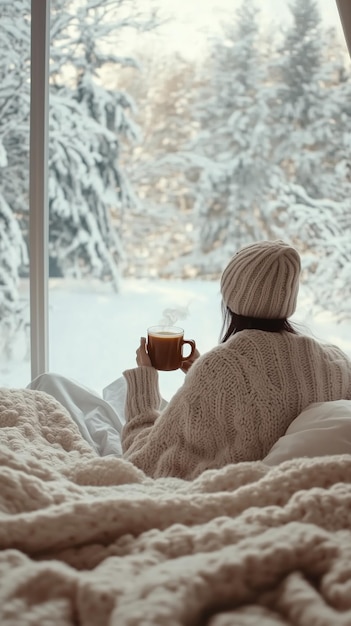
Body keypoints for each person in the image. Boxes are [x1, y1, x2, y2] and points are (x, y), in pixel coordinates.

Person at [121, 240, 351, 480]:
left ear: (231, 297)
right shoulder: (337, 365)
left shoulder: (221, 367)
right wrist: (200, 379)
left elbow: (143, 462)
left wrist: (144, 382)